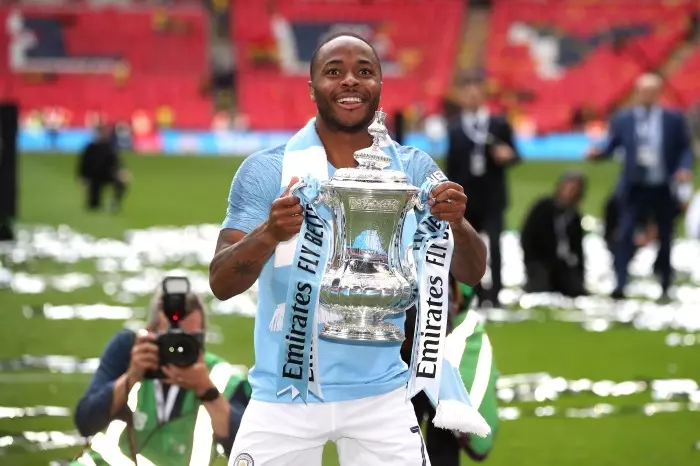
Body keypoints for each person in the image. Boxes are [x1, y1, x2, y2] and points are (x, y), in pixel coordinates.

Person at [209, 32, 487, 465]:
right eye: (333, 72)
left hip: (382, 394)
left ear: (380, 84)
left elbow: (472, 272)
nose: (350, 82)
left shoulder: (412, 168)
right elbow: (221, 283)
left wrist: (460, 225)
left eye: (364, 72)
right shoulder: (268, 170)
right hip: (284, 390)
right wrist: (268, 233)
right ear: (312, 86)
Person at [70, 281, 250, 465]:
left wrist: (207, 392)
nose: (179, 348)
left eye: (191, 339)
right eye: (171, 339)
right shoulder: (130, 352)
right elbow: (85, 423)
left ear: (204, 336)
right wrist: (131, 376)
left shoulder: (221, 378)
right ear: (150, 333)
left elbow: (248, 449)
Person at [586, 73, 694, 302]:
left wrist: (683, 168)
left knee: (665, 236)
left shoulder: (672, 119)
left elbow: (685, 149)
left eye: (651, 91)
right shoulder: (624, 119)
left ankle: (665, 284)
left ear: (658, 93)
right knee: (624, 233)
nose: (647, 96)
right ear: (637, 93)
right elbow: (613, 145)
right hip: (634, 186)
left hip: (663, 186)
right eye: (643, 91)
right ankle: (621, 283)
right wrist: (598, 154)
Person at [401, 275, 500, 465]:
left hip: (443, 342)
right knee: (400, 436)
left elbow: (469, 280)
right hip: (407, 344)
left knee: (442, 433)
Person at [445, 76, 521, 308]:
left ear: (483, 96)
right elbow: (451, 164)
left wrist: (508, 156)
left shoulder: (498, 124)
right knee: (466, 248)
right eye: (468, 94)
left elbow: (515, 155)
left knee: (495, 246)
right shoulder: (456, 127)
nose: (472, 98)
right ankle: (470, 294)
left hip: (492, 197)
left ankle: (496, 294)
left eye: (476, 93)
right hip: (466, 200)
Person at [520, 171, 588, 297]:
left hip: (563, 264)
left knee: (576, 291)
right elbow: (527, 237)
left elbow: (578, 247)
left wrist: (580, 274)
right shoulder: (543, 208)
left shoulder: (574, 216)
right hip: (541, 262)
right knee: (541, 290)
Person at [77, 123, 127, 213]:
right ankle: (95, 202)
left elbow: (117, 161)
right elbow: (83, 164)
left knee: (121, 183)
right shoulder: (90, 148)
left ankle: (114, 202)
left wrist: (121, 171)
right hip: (94, 177)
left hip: (108, 174)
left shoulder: (109, 147)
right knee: (93, 206)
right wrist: (83, 177)